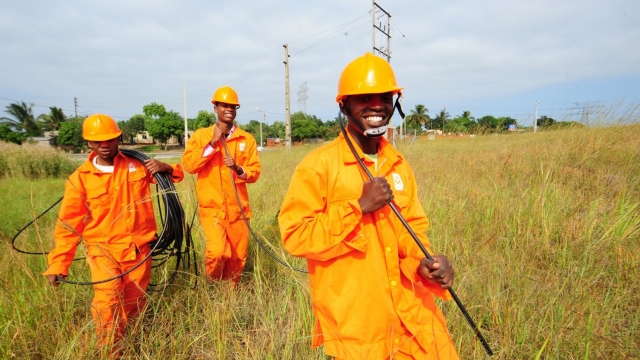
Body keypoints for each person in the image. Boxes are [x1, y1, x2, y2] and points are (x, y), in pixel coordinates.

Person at [278, 53, 459, 359]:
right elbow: (295, 235)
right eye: (364, 97)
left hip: (412, 313)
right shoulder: (318, 166)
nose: (376, 105)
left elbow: (412, 229)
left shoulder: (398, 165)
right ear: (344, 104)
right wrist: (357, 206)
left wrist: (424, 264)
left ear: (395, 102)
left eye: (384, 96)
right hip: (359, 328)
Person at [43, 114, 184, 350]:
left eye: (109, 139)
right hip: (103, 252)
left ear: (119, 138)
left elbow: (174, 177)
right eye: (97, 141)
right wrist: (59, 263)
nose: (104, 145)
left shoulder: (137, 165)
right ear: (88, 143)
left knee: (134, 303)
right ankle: (110, 351)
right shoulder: (80, 180)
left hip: (139, 251)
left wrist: (166, 167)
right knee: (107, 302)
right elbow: (68, 225)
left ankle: (129, 343)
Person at [181, 86, 261, 284]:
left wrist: (238, 168)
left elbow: (254, 173)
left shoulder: (246, 139)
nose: (229, 109)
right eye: (224, 105)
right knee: (217, 252)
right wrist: (212, 144)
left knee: (237, 258)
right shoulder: (201, 136)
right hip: (213, 210)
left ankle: (229, 295)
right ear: (215, 108)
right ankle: (214, 285)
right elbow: (189, 166)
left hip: (238, 211)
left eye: (233, 106)